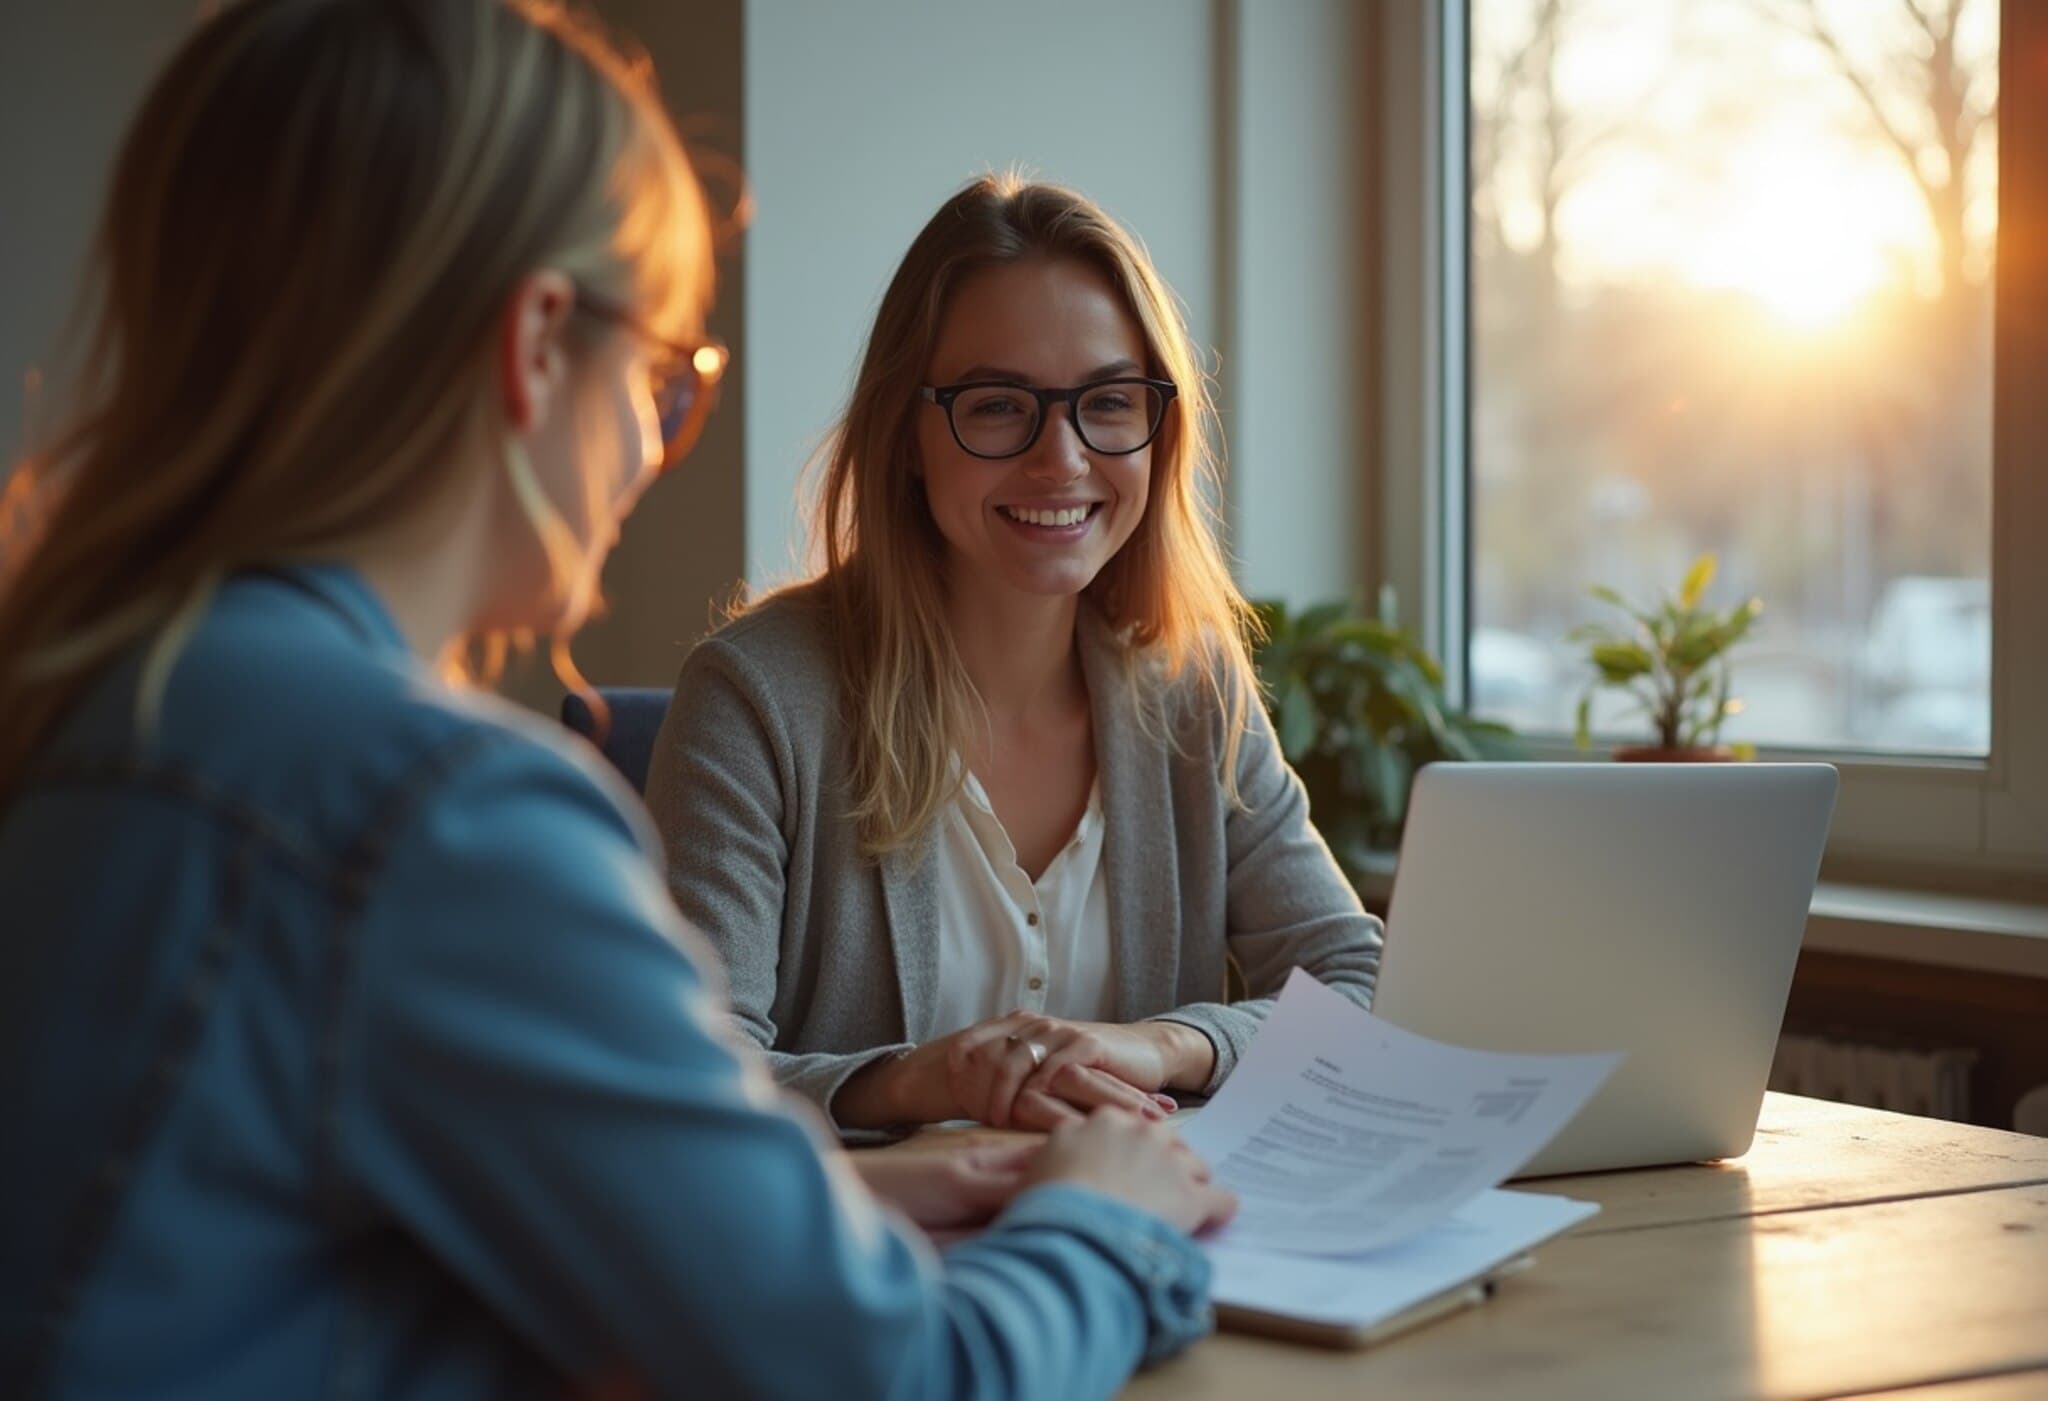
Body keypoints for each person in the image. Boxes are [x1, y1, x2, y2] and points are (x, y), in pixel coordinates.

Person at [0, 5, 1235, 1398]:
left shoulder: (106, 695)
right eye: (663, 372)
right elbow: (903, 1379)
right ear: (536, 344)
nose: (653, 443)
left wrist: (830, 1211)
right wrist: (1105, 1218)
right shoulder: (436, 818)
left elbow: (316, 1254)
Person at [645, 176, 1383, 1139]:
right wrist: (920, 1081)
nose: (1063, 459)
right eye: (999, 406)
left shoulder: (1192, 690)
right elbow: (686, 1072)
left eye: (1109, 401)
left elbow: (1357, 987)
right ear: (908, 433)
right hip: (874, 1259)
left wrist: (1160, 1045)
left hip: (1148, 1243)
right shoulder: (756, 699)